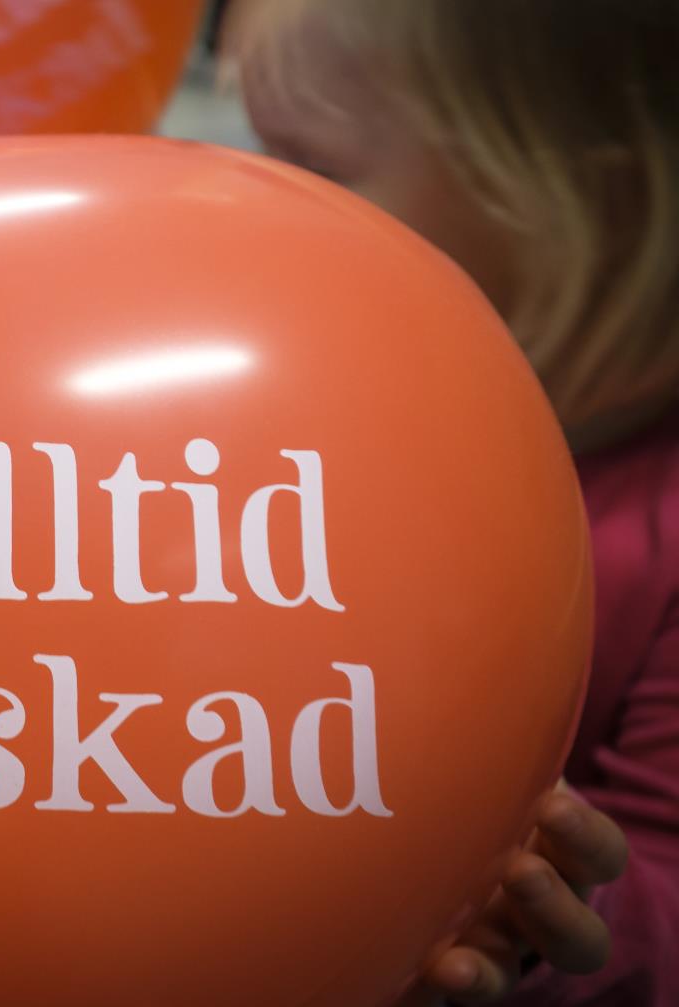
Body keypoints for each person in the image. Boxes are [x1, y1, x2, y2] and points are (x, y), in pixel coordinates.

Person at [234, 1, 678, 1003]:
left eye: (317, 170)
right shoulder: (299, 383)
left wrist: (541, 910)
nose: (249, 212)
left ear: (570, 189)